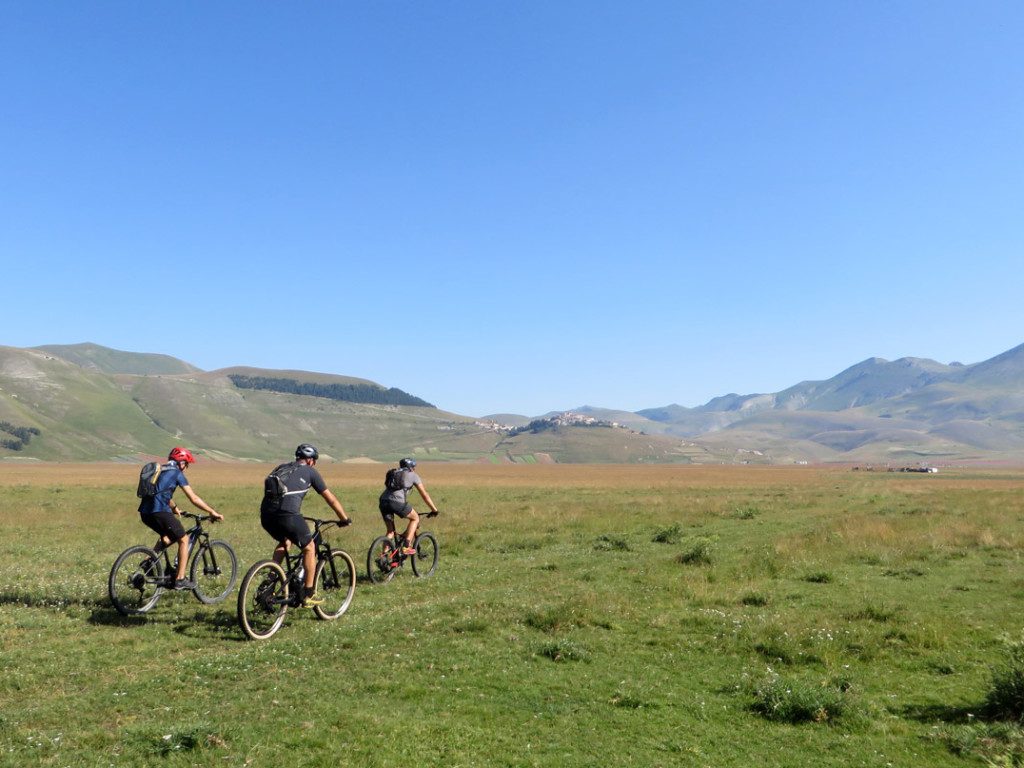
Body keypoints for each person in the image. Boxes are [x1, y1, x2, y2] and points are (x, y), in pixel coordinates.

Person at [260, 443, 351, 607]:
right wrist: (344, 518)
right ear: (310, 461)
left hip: (266, 515)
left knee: (285, 541)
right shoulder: (310, 471)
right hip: (287, 515)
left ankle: (271, 579)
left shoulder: (282, 467)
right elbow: (330, 498)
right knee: (309, 547)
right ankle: (309, 594)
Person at [137, 447, 223, 590]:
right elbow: (194, 498)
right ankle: (180, 579)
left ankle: (148, 561)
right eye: (186, 464)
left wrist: (174, 507)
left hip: (145, 513)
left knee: (166, 537)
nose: (186, 468)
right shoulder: (177, 473)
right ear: (181, 463)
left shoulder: (160, 470)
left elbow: (160, 492)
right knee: (184, 539)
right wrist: (212, 511)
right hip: (160, 512)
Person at [377, 457, 439, 557]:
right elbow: (424, 495)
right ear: (411, 467)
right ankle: (406, 547)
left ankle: (383, 557)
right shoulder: (413, 475)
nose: (414, 469)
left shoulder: (394, 473)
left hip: (383, 501)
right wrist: (434, 510)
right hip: (397, 502)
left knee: (390, 531)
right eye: (414, 467)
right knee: (415, 518)